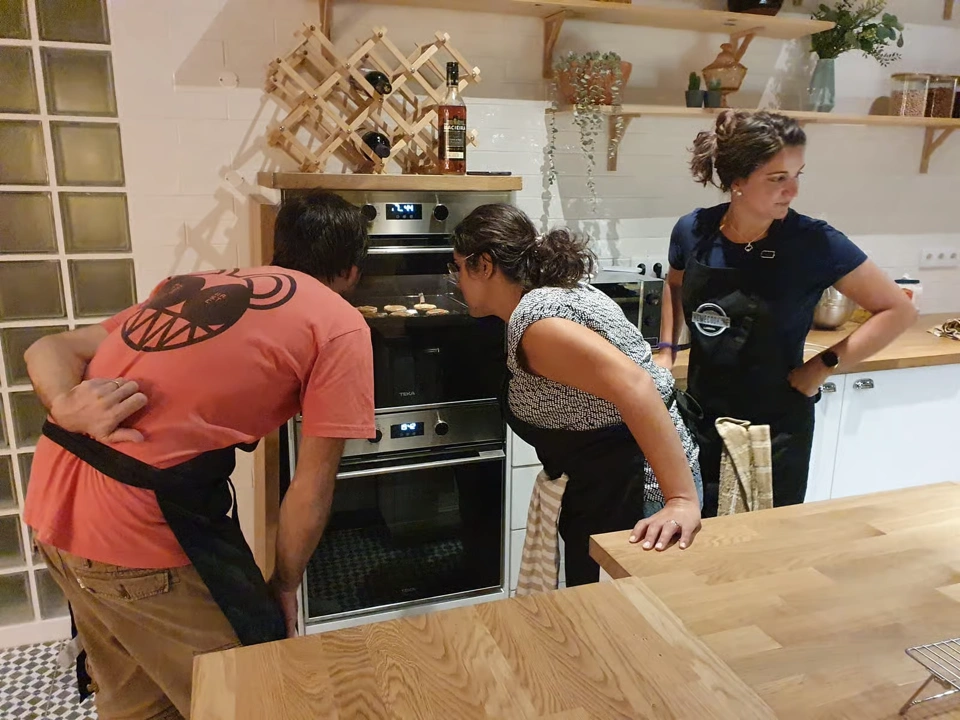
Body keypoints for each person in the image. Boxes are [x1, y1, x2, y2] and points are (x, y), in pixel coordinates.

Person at [23, 191, 375, 720]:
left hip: (53, 510)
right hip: (135, 534)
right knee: (253, 694)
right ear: (351, 271)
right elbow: (312, 484)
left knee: (141, 704)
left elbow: (46, 348)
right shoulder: (341, 324)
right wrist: (282, 585)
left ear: (278, 250)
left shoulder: (195, 286)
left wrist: (66, 403)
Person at [655, 110, 916, 518]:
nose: (792, 191)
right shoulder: (694, 230)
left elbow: (897, 310)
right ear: (737, 180)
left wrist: (824, 365)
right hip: (700, 420)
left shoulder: (814, 242)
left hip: (775, 430)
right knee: (699, 544)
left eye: (798, 175)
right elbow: (673, 283)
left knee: (762, 549)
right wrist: (667, 349)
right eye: (777, 178)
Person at [450, 204, 703, 588]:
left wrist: (681, 500)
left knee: (627, 630)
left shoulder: (539, 323)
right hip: (606, 485)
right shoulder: (547, 295)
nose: (456, 281)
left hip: (638, 493)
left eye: (458, 268)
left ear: (484, 265)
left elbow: (637, 386)